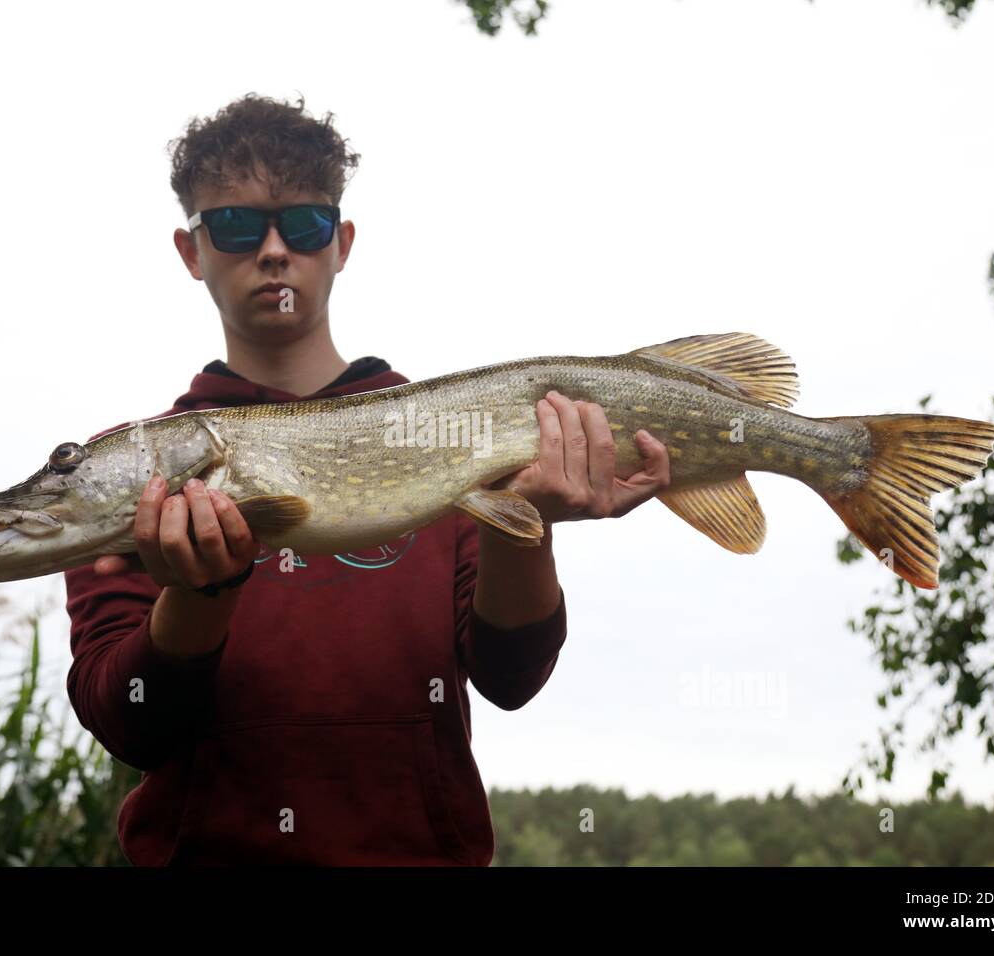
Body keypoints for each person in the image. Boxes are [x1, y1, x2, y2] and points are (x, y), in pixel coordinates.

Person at [63, 93, 670, 865]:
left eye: (305, 224)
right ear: (192, 251)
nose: (275, 250)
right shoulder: (131, 469)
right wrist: (197, 595)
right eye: (239, 226)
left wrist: (526, 525)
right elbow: (130, 724)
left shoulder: (449, 436)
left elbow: (512, 676)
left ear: (341, 242)